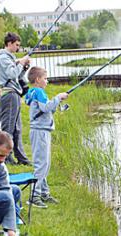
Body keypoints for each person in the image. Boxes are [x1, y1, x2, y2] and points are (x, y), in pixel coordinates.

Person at [25, 66, 68, 208]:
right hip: (40, 131)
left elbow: (46, 109)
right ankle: (34, 196)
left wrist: (58, 105)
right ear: (38, 79)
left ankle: (44, 193)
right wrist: (58, 97)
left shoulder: (33, 92)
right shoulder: (39, 91)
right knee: (41, 164)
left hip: (41, 131)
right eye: (45, 78)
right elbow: (46, 108)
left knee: (45, 163)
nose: (47, 81)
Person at [0, 32, 31, 165]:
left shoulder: (10, 58)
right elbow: (11, 73)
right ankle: (6, 157)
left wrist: (24, 67)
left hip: (14, 93)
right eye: (16, 45)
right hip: (9, 94)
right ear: (9, 43)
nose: (18, 48)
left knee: (17, 128)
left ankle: (21, 157)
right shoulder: (3, 58)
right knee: (8, 128)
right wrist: (20, 63)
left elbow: (16, 76)